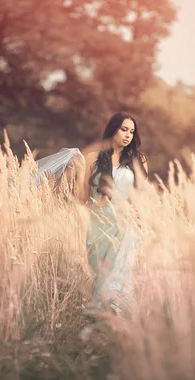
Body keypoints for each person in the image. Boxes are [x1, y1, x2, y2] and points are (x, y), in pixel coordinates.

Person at [76, 112, 149, 317]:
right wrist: (78, 172)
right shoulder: (93, 158)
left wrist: (141, 223)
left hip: (125, 225)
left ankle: (114, 317)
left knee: (120, 274)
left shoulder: (138, 160)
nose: (128, 135)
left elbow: (140, 197)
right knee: (101, 275)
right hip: (98, 225)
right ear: (113, 129)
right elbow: (81, 198)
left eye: (132, 131)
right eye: (123, 129)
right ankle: (101, 323)